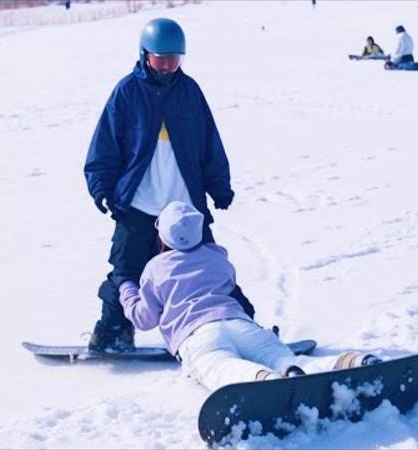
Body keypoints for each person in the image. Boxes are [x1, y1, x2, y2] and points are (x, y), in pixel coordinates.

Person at [84, 18, 255, 352]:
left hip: (185, 208)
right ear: (145, 53)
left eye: (174, 58)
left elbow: (209, 142)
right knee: (125, 271)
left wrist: (219, 186)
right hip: (138, 204)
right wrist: (101, 186)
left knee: (210, 268)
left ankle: (244, 324)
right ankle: (113, 332)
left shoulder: (189, 92)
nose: (167, 65)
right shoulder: (127, 92)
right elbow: (104, 145)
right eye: (160, 58)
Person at [119, 202, 381, 391]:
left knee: (220, 366)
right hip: (239, 323)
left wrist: (127, 290)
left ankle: (263, 381)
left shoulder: (156, 268)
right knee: (287, 360)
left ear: (162, 235)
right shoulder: (216, 256)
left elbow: (144, 319)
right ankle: (351, 362)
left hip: (196, 335)